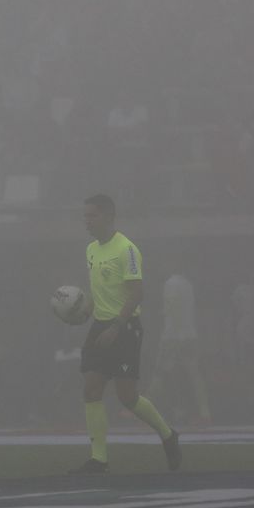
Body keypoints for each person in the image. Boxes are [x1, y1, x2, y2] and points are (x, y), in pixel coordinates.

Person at [70, 193, 181, 474]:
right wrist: (84, 311)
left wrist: (117, 326)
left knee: (127, 397)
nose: (87, 221)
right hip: (100, 325)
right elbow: (99, 290)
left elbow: (137, 293)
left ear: (108, 217)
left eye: (91, 215)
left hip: (125, 327)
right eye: (85, 216)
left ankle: (168, 434)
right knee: (91, 387)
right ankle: (99, 459)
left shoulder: (127, 249)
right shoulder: (91, 250)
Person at [149, 273, 212, 426]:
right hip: (189, 334)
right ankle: (205, 413)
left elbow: (173, 307)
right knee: (194, 374)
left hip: (173, 336)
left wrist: (174, 335)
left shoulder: (171, 283)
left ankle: (144, 412)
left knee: (160, 372)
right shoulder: (188, 283)